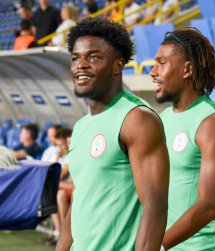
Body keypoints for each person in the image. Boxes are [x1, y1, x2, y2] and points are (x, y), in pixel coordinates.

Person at [56, 17, 169, 251]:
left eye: (94, 57)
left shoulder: (137, 119)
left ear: (118, 65)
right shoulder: (81, 127)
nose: (81, 65)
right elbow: (80, 199)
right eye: (76, 58)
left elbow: (155, 206)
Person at [150, 27, 215, 250]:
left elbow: (209, 205)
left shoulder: (214, 123)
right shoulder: (162, 119)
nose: (152, 71)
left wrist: (158, 245)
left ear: (187, 70)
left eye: (162, 63)